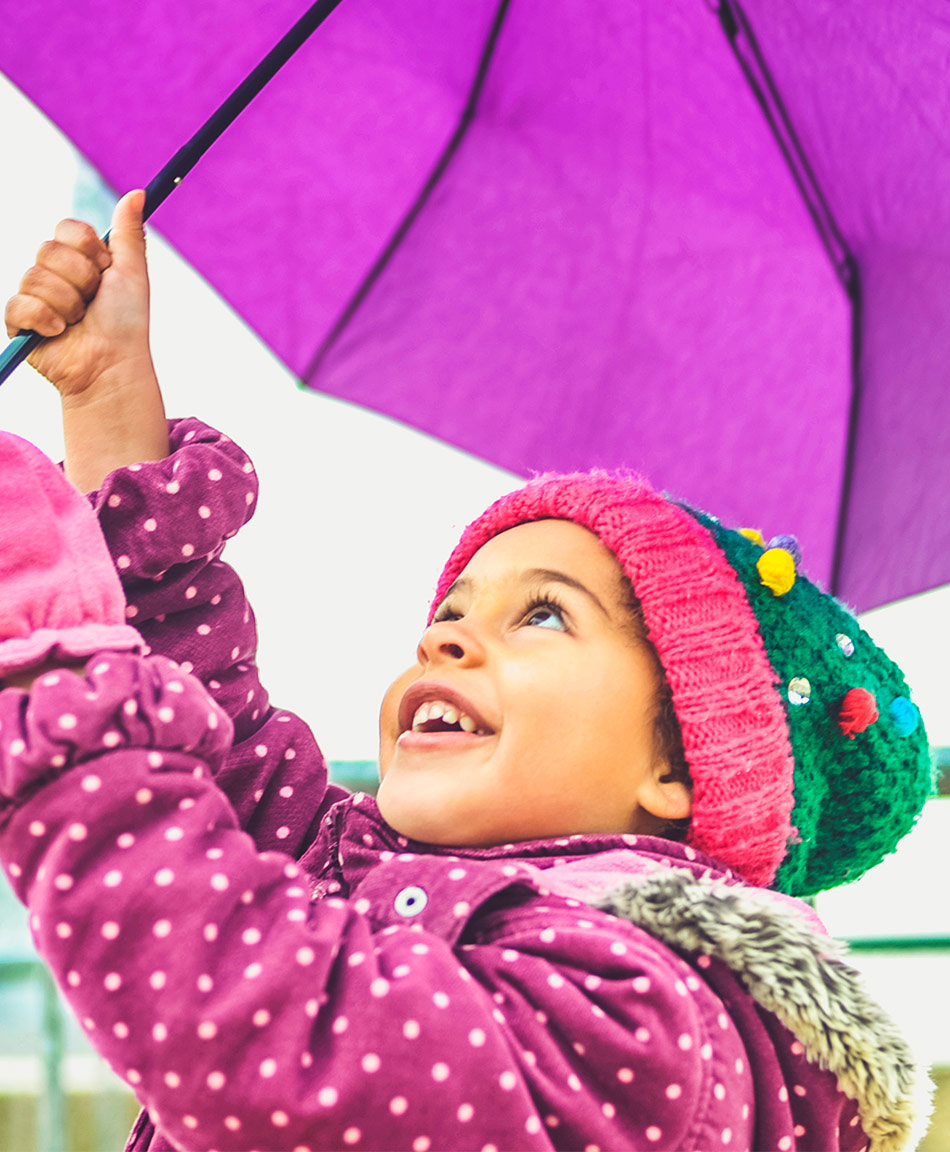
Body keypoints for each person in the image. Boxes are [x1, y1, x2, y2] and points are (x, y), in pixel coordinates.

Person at [0, 192, 935, 1152]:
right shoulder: (351, 873)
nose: (444, 641)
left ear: (681, 766)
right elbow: (211, 746)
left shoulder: (651, 1009)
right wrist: (109, 393)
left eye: (542, 614)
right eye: (446, 615)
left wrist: (51, 656)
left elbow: (284, 1050)